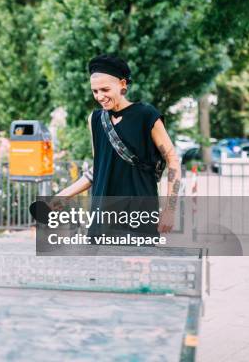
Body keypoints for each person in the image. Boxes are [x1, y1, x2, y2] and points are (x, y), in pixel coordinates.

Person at [55, 54, 181, 237]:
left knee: (139, 264)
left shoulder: (146, 115)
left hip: (140, 212)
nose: (100, 96)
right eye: (95, 91)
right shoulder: (95, 120)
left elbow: (172, 160)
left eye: (105, 89)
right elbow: (99, 169)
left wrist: (170, 210)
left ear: (123, 84)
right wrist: (62, 196)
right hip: (102, 214)